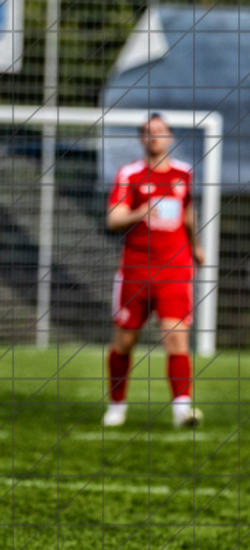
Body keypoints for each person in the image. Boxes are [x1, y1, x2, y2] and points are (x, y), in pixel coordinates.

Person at [104, 113, 203, 428]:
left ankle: (182, 410)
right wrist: (138, 212)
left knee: (177, 339)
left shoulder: (184, 173)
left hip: (175, 269)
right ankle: (117, 406)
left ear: (170, 137)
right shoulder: (130, 174)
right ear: (141, 138)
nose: (154, 137)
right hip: (135, 271)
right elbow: (113, 219)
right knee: (124, 342)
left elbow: (188, 212)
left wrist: (195, 244)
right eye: (148, 132)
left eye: (160, 132)